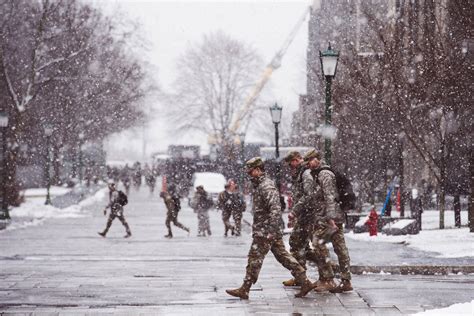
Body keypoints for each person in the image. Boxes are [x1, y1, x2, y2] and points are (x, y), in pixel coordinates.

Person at [226, 157, 315, 300]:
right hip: (266, 229)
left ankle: (245, 288)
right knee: (283, 257)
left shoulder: (266, 185)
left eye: (250, 172)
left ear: (257, 170)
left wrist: (271, 231)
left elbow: (275, 208)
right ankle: (305, 281)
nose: (249, 174)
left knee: (255, 258)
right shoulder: (260, 184)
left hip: (266, 230)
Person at [282, 151, 337, 292]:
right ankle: (302, 276)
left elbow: (308, 196)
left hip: (308, 215)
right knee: (300, 244)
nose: (290, 167)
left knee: (308, 244)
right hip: (306, 214)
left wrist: (295, 210)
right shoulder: (301, 173)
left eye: (291, 163)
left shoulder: (305, 174)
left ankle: (326, 276)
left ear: (295, 160)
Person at [304, 149, 353, 293]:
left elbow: (330, 197)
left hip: (329, 217)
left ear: (317, 159)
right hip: (330, 215)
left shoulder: (324, 174)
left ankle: (329, 278)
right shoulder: (319, 173)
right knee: (339, 247)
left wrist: (331, 218)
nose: (308, 164)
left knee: (318, 243)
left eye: (310, 161)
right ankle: (345, 280)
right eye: (307, 162)